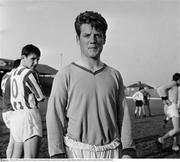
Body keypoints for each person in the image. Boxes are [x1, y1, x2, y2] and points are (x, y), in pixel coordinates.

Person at [46, 11, 136, 159]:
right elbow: (54, 115)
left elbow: (124, 113)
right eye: (87, 35)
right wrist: (56, 153)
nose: (92, 40)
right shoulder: (65, 74)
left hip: (111, 151)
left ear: (104, 39)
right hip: (76, 152)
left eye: (98, 35)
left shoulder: (115, 75)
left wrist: (128, 148)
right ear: (77, 39)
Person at [9, 44, 45, 158]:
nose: (36, 63)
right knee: (30, 157)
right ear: (23, 58)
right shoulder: (28, 73)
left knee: (16, 156)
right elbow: (40, 96)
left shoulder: (12, 73)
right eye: (33, 59)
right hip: (29, 116)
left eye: (38, 59)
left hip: (16, 117)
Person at [1, 59, 21, 158]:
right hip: (12, 111)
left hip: (5, 111)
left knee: (12, 140)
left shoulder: (5, 75)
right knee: (15, 142)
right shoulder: (15, 76)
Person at [157, 73, 180, 151]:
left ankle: (174, 145)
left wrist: (165, 100)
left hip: (173, 107)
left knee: (176, 128)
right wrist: (165, 99)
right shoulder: (173, 83)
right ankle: (162, 139)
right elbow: (160, 89)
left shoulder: (175, 85)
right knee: (177, 129)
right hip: (172, 107)